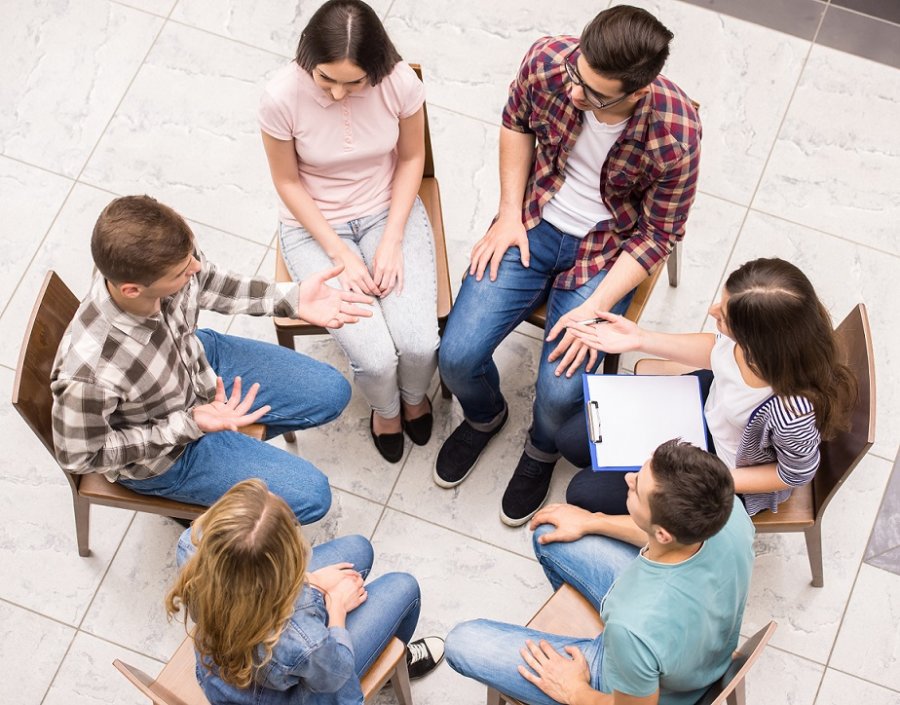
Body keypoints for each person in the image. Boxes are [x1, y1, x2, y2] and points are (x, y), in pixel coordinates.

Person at [435, 5, 701, 526]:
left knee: (560, 392)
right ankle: (486, 415)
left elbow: (659, 234)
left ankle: (540, 449)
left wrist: (596, 308)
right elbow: (516, 122)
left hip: (607, 248)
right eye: (578, 76)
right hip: (533, 218)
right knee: (457, 355)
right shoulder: (549, 61)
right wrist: (509, 214)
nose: (576, 93)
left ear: (637, 92)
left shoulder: (675, 135)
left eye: (596, 94)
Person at [51, 194, 372, 523]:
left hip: (198, 363)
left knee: (332, 392)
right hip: (171, 454)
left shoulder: (170, 255)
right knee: (312, 497)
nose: (196, 267)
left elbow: (209, 281)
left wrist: (290, 298)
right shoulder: (89, 373)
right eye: (182, 272)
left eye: (192, 256)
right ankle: (215, 474)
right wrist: (190, 425)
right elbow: (81, 454)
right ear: (132, 290)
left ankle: (233, 453)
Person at [259, 0, 440, 463]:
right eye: (326, 80)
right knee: (376, 355)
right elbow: (286, 182)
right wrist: (341, 253)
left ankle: (416, 396)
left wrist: (393, 238)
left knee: (419, 343)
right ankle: (385, 409)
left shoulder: (399, 83)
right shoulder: (281, 96)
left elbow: (411, 159)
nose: (339, 94)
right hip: (314, 226)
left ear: (376, 68)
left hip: (387, 209)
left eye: (355, 82)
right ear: (307, 61)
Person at [445, 440, 754, 705]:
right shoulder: (728, 513)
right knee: (551, 531)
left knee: (462, 642)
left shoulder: (632, 627)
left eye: (638, 488)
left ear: (662, 535)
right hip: (694, 646)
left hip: (649, 684)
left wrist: (576, 691)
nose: (629, 478)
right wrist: (593, 520)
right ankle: (609, 649)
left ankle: (604, 654)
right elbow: (663, 537)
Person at [558, 257, 857, 517]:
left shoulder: (792, 412)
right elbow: (717, 352)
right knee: (569, 440)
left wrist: (718, 477)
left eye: (724, 317)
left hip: (723, 464)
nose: (713, 311)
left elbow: (794, 473)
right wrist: (640, 338)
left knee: (581, 492)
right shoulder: (767, 344)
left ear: (759, 342)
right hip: (701, 408)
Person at [167, 479, 444, 705]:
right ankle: (390, 666)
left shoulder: (191, 545)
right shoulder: (302, 642)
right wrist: (336, 611)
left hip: (222, 678)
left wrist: (310, 582)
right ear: (282, 569)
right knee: (405, 587)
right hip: (281, 696)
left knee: (360, 549)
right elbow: (333, 675)